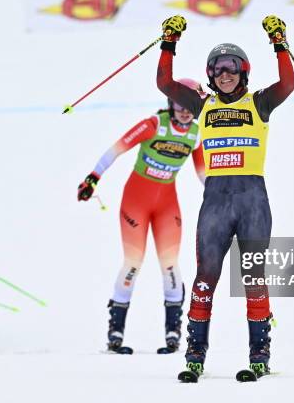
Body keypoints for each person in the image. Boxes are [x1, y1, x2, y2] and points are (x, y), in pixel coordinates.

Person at [156, 15, 294, 378]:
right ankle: (195, 357)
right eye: (217, 69)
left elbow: (289, 84)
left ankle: (259, 356)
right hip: (216, 202)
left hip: (252, 201)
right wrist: (169, 41)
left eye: (231, 68)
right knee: (206, 279)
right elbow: (165, 82)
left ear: (243, 72)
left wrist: (279, 42)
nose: (224, 74)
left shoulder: (259, 102)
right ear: (211, 75)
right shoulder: (203, 105)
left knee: (253, 278)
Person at [77, 80, 206, 354]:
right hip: (136, 203)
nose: (185, 112)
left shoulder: (196, 135)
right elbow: (117, 149)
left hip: (167, 207)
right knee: (133, 263)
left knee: (170, 265)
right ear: (171, 104)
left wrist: (221, 193)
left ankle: (173, 334)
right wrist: (93, 177)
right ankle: (116, 333)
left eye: (191, 106)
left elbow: (202, 173)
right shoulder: (154, 125)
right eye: (180, 105)